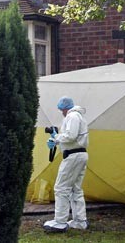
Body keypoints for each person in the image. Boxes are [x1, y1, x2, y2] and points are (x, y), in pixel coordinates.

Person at [43, 96, 89, 232]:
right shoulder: (78, 116)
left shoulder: (72, 116)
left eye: (61, 110)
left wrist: (56, 138)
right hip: (80, 154)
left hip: (73, 156)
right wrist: (57, 138)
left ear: (64, 108)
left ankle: (60, 222)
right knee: (75, 189)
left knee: (61, 188)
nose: (61, 112)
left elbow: (71, 135)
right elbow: (72, 136)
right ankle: (80, 221)